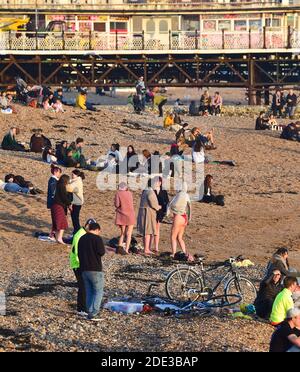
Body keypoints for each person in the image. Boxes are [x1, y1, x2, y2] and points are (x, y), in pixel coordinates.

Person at [78, 222, 105, 321]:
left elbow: (78, 252)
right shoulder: (97, 238)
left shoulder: (82, 238)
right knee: (98, 291)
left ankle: (89, 311)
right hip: (95, 269)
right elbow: (101, 252)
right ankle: (94, 312)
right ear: (97, 230)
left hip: (84, 269)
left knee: (89, 291)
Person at [70, 218, 97, 316]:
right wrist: (81, 264)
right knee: (84, 286)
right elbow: (76, 250)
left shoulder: (84, 233)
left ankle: (81, 308)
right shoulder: (80, 235)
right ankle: (82, 309)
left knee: (84, 286)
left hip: (79, 263)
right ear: (87, 226)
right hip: (77, 264)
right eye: (91, 227)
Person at [137, 179, 162, 256]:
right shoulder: (150, 192)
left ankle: (146, 248)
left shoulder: (144, 191)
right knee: (148, 231)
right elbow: (153, 204)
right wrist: (159, 207)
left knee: (146, 231)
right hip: (148, 213)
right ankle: (147, 249)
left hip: (143, 212)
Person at [168, 181, 191, 257]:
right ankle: (184, 253)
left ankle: (173, 253)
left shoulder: (178, 195)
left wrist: (169, 213)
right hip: (184, 218)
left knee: (173, 236)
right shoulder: (187, 195)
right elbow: (189, 208)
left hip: (178, 216)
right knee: (180, 237)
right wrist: (189, 219)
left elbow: (170, 204)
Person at [51, 174, 73, 245]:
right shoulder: (61, 186)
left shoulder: (58, 185)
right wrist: (69, 204)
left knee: (58, 223)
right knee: (62, 223)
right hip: (58, 206)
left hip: (55, 206)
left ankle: (58, 238)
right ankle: (59, 238)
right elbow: (64, 197)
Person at [114, 182, 136, 254]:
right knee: (129, 234)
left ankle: (120, 248)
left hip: (122, 214)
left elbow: (117, 205)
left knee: (122, 233)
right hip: (131, 215)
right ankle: (126, 249)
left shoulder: (118, 193)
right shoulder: (129, 193)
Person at [153, 176, 169, 254]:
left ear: (160, 182)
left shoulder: (163, 191)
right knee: (151, 229)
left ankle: (156, 246)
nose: (157, 183)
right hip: (152, 212)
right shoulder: (152, 190)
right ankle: (149, 246)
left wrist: (165, 211)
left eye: (158, 181)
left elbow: (166, 202)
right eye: (155, 181)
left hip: (160, 213)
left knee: (157, 229)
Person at [47, 165, 62, 240]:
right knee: (56, 219)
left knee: (55, 219)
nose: (60, 174)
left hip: (53, 202)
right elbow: (53, 192)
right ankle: (52, 234)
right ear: (56, 172)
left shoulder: (53, 180)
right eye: (59, 172)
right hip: (54, 203)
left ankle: (53, 234)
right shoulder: (53, 180)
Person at [69, 169, 85, 235]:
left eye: (73, 174)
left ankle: (77, 230)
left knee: (75, 218)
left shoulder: (77, 182)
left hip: (77, 202)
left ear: (76, 175)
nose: (72, 176)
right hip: (76, 202)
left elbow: (69, 188)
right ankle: (76, 230)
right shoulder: (76, 181)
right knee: (74, 217)